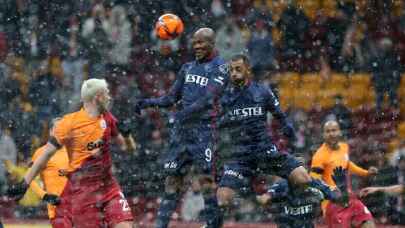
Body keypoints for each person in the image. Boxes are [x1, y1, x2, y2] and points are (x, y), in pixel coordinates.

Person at [216, 54, 336, 227]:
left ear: (247, 70)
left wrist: (290, 135)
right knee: (222, 199)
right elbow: (215, 122)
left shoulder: (262, 91)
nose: (234, 74)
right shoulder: (225, 97)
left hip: (266, 152)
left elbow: (280, 116)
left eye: (238, 69)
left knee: (301, 178)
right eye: (231, 70)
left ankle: (325, 189)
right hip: (241, 158)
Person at [8, 78, 135, 228]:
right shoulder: (69, 123)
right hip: (83, 192)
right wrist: (25, 183)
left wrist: (127, 137)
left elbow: (130, 149)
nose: (109, 97)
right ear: (98, 97)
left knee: (125, 226)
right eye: (106, 93)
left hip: (109, 186)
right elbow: (46, 154)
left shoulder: (107, 117)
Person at [135, 27, 229, 228]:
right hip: (181, 133)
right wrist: (148, 102)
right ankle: (160, 226)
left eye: (201, 42)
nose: (196, 46)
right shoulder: (187, 68)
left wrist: (183, 114)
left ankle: (213, 224)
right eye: (194, 42)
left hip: (204, 130)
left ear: (212, 43)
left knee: (205, 180)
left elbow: (208, 98)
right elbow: (170, 98)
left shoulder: (221, 67)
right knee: (172, 181)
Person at [310, 120, 378, 228]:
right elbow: (313, 181)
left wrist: (366, 173)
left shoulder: (344, 147)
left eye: (334, 130)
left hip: (350, 199)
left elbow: (347, 164)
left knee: (369, 224)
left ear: (340, 132)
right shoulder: (319, 156)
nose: (331, 134)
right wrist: (332, 192)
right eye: (327, 131)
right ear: (323, 135)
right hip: (332, 204)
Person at [29, 117, 70, 227]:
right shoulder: (41, 152)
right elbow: (29, 179)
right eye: (58, 128)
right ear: (51, 131)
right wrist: (45, 196)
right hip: (58, 211)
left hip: (79, 208)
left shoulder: (74, 151)